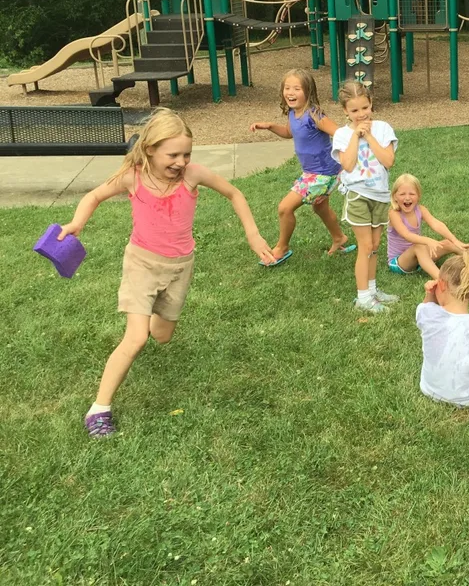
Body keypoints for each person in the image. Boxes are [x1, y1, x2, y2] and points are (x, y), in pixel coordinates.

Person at [58, 109, 275, 438]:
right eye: (173, 155)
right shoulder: (134, 177)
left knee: (161, 335)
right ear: (150, 150)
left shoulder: (193, 175)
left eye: (186, 154)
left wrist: (253, 235)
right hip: (142, 264)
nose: (181, 161)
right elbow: (95, 195)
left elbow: (234, 193)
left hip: (180, 267)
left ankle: (143, 320)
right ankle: (99, 409)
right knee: (136, 337)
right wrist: (78, 223)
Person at [249, 69, 353, 265]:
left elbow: (340, 134)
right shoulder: (293, 113)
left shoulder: (314, 114)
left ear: (308, 91)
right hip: (313, 172)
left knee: (284, 208)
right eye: (287, 88)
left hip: (324, 173)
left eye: (297, 88)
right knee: (320, 207)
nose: (290, 92)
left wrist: (349, 158)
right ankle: (339, 237)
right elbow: (289, 132)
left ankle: (282, 247)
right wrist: (270, 126)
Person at [331, 81, 399, 313]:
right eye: (354, 110)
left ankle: (372, 290)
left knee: (375, 245)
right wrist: (355, 137)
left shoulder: (383, 128)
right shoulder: (341, 135)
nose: (361, 114)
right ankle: (363, 298)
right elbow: (348, 165)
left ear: (371, 104)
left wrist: (368, 136)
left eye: (365, 108)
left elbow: (388, 160)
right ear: (345, 111)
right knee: (365, 245)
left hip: (380, 195)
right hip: (358, 195)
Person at [387, 173, 469, 278]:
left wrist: (455, 240)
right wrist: (428, 241)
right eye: (402, 194)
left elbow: (436, 224)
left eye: (412, 194)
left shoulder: (421, 209)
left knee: (448, 243)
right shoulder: (394, 214)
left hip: (421, 258)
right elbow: (407, 235)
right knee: (419, 246)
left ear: (418, 196)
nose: (407, 198)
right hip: (400, 262)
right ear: (395, 197)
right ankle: (441, 280)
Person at [416, 248, 469, 406]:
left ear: (440, 284)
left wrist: (430, 294)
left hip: (429, 389)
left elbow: (425, 309)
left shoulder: (427, 314)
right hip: (468, 397)